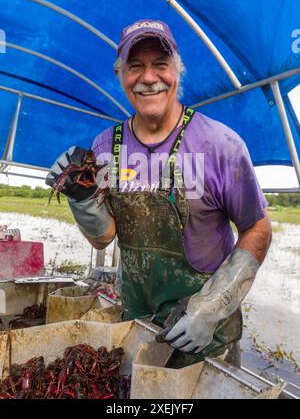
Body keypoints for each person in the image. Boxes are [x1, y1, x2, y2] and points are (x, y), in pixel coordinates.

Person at [46, 19, 272, 366]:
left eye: (160, 65)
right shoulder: (106, 146)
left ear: (177, 71)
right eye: (135, 67)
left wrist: (210, 309)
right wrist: (82, 198)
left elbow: (257, 228)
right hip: (136, 325)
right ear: (120, 75)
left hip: (205, 338)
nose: (148, 78)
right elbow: (105, 237)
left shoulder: (220, 144)